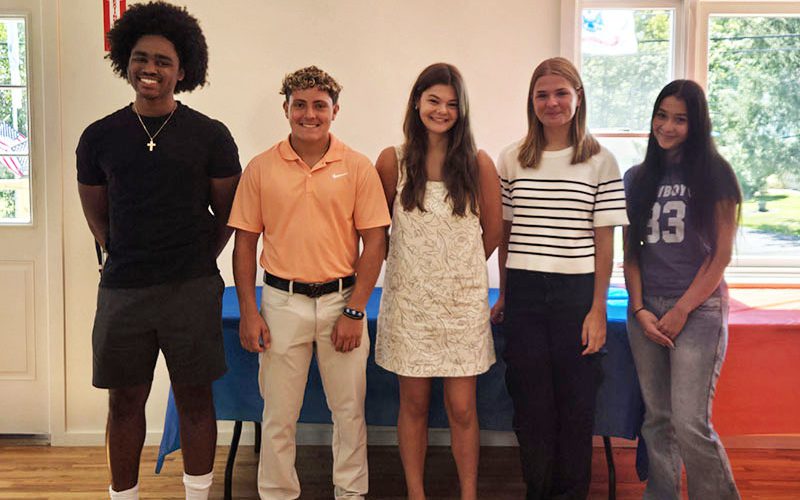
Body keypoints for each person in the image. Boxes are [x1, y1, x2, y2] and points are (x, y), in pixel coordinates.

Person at [76, 2, 241, 499]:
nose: (150, 69)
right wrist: (127, 254)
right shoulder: (99, 137)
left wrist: (192, 258)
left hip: (191, 288)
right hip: (123, 290)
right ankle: (122, 496)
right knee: (124, 402)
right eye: (141, 58)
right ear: (125, 60)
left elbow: (227, 215)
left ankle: (197, 495)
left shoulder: (210, 135)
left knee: (194, 399)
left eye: (163, 61)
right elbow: (97, 215)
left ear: (183, 69)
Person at [228, 66, 391, 500]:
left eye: (319, 105)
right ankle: (278, 494)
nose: (309, 114)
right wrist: (249, 310)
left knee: (349, 412)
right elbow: (244, 246)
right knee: (279, 416)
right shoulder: (261, 168)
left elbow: (376, 242)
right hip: (282, 302)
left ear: (335, 110)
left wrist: (356, 310)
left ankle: (350, 494)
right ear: (286, 109)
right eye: (300, 105)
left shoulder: (357, 167)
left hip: (342, 301)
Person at [490, 57, 628, 499]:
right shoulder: (512, 158)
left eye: (560, 93)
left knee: (575, 407)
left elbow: (604, 243)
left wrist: (597, 310)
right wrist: (505, 296)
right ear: (531, 102)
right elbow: (508, 235)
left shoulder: (601, 161)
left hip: (576, 293)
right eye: (542, 94)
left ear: (578, 97)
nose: (552, 103)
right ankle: (539, 491)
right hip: (526, 292)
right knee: (531, 407)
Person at [374, 63, 503, 500]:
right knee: (412, 405)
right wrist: (413, 268)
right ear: (417, 101)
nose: (442, 110)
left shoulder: (478, 162)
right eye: (434, 100)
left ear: (461, 110)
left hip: (461, 306)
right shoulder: (391, 161)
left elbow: (494, 230)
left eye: (451, 103)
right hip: (409, 305)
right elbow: (376, 233)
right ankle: (416, 492)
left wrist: (458, 270)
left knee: (463, 408)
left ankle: (468, 493)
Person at [623, 79, 742, 500]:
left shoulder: (716, 174)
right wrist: (639, 310)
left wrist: (681, 311)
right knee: (657, 419)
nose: (667, 127)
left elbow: (721, 255)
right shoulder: (636, 178)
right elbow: (631, 254)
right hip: (647, 312)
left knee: (691, 422)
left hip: (699, 309)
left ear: (697, 125)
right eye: (661, 116)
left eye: (680, 119)